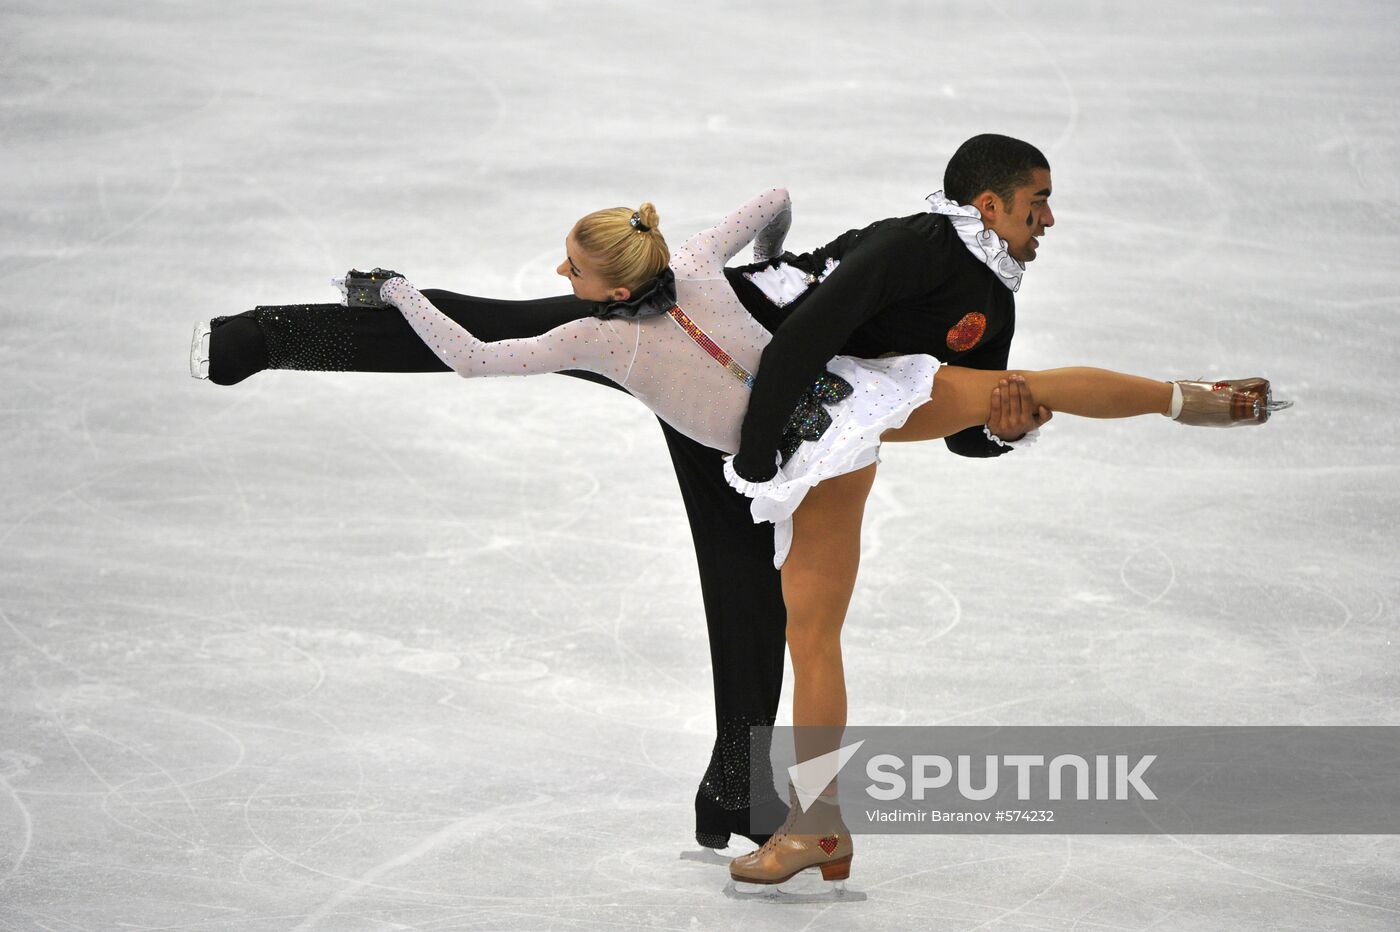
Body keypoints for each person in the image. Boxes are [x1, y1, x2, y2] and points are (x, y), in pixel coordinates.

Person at [187, 135, 1257, 858]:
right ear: (987, 203)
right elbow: (797, 334)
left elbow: (957, 417)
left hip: (768, 416)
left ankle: (736, 789)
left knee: (747, 592)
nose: (1049, 221)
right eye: (1038, 204)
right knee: (502, 324)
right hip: (734, 375)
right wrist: (756, 454)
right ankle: (275, 333)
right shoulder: (911, 245)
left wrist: (1002, 429)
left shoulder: (989, 297)